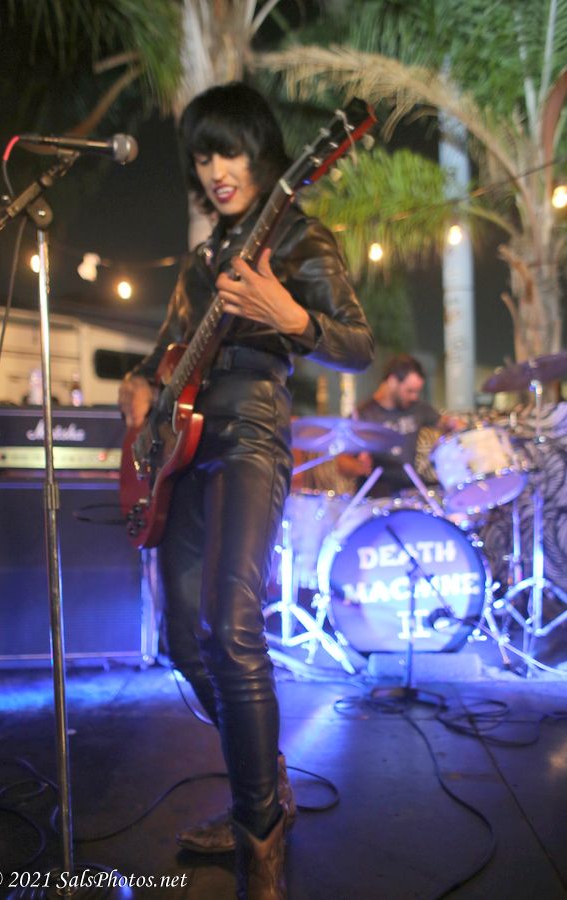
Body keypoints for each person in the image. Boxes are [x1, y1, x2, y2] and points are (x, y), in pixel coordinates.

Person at [118, 82, 374, 898]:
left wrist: (287, 314)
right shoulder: (200, 262)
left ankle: (258, 841)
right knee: (184, 643)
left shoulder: (297, 234)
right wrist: (139, 389)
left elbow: (358, 343)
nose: (216, 170)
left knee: (231, 633)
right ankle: (266, 787)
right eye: (203, 157)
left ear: (263, 152)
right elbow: (163, 353)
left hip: (251, 434)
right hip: (179, 454)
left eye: (229, 151)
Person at [337, 354, 449, 498]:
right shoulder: (363, 416)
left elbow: (445, 423)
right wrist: (358, 466)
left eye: (417, 392)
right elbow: (342, 463)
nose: (414, 396)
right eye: (410, 391)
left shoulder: (417, 408)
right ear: (392, 381)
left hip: (410, 489)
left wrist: (455, 425)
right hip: (377, 494)